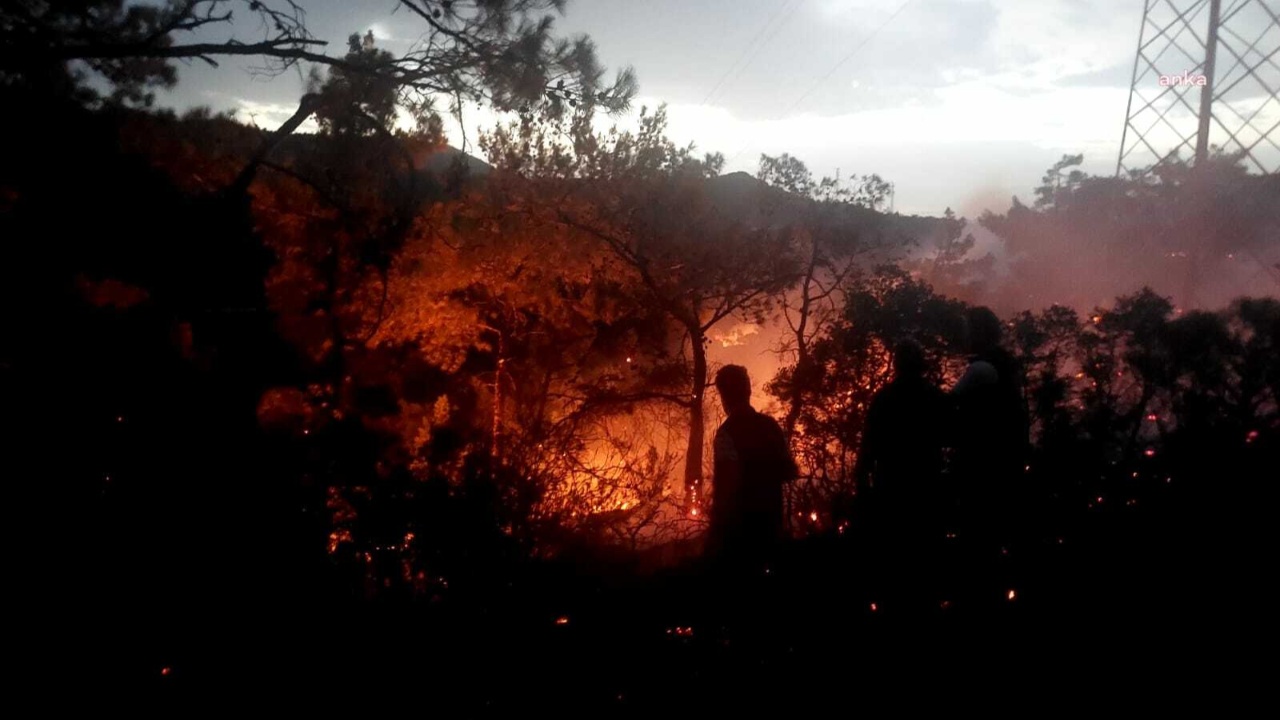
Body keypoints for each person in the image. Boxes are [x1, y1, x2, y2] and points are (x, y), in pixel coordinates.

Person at [855, 339, 948, 608]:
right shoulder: (934, 397)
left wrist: (863, 491)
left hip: (892, 493)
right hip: (927, 492)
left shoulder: (884, 399)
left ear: (897, 365)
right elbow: (952, 436)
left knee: (895, 569)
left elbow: (867, 449)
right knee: (925, 567)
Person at [950, 307, 1030, 588]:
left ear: (978, 331)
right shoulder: (1003, 364)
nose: (963, 335)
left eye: (967, 329)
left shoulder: (983, 367)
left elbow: (947, 406)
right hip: (1004, 461)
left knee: (980, 539)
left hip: (982, 466)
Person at [707, 365, 797, 569]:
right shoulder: (770, 426)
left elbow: (725, 490)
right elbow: (789, 471)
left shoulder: (726, 434)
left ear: (723, 396)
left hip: (739, 537)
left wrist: (714, 538)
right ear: (748, 390)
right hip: (771, 527)